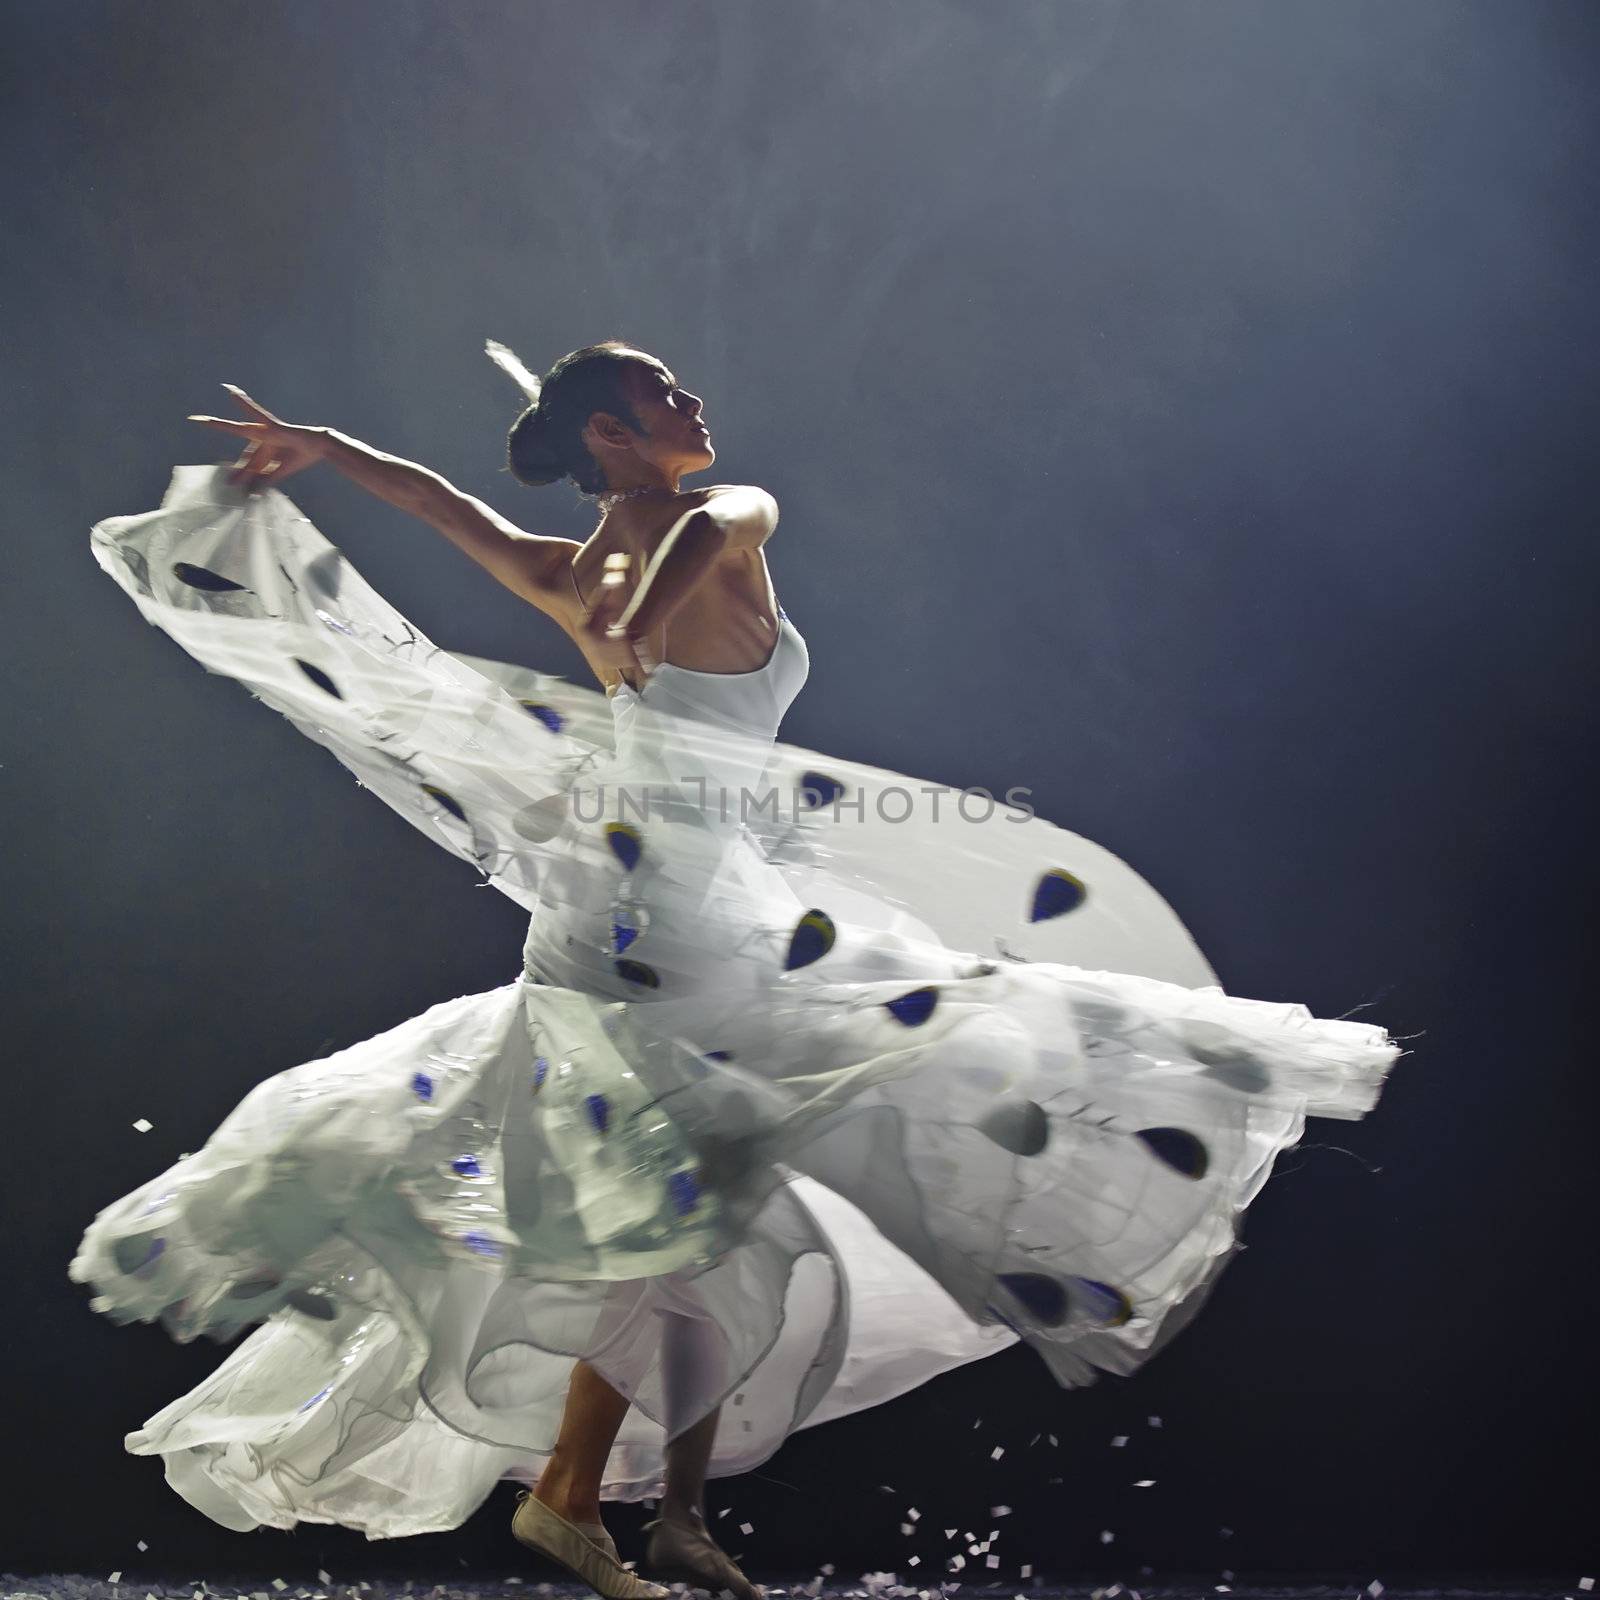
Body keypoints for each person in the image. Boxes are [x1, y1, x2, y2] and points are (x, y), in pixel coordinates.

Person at [73, 340, 1399, 1600]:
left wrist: (345, 457)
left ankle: (655, 1508)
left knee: (716, 1204)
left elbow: (677, 521)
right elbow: (457, 508)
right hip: (663, 925)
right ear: (611, 432)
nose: (696, 409)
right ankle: (587, 1499)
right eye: (668, 397)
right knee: (705, 1187)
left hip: (681, 906)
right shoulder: (607, 558)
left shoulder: (638, 551)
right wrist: (339, 456)